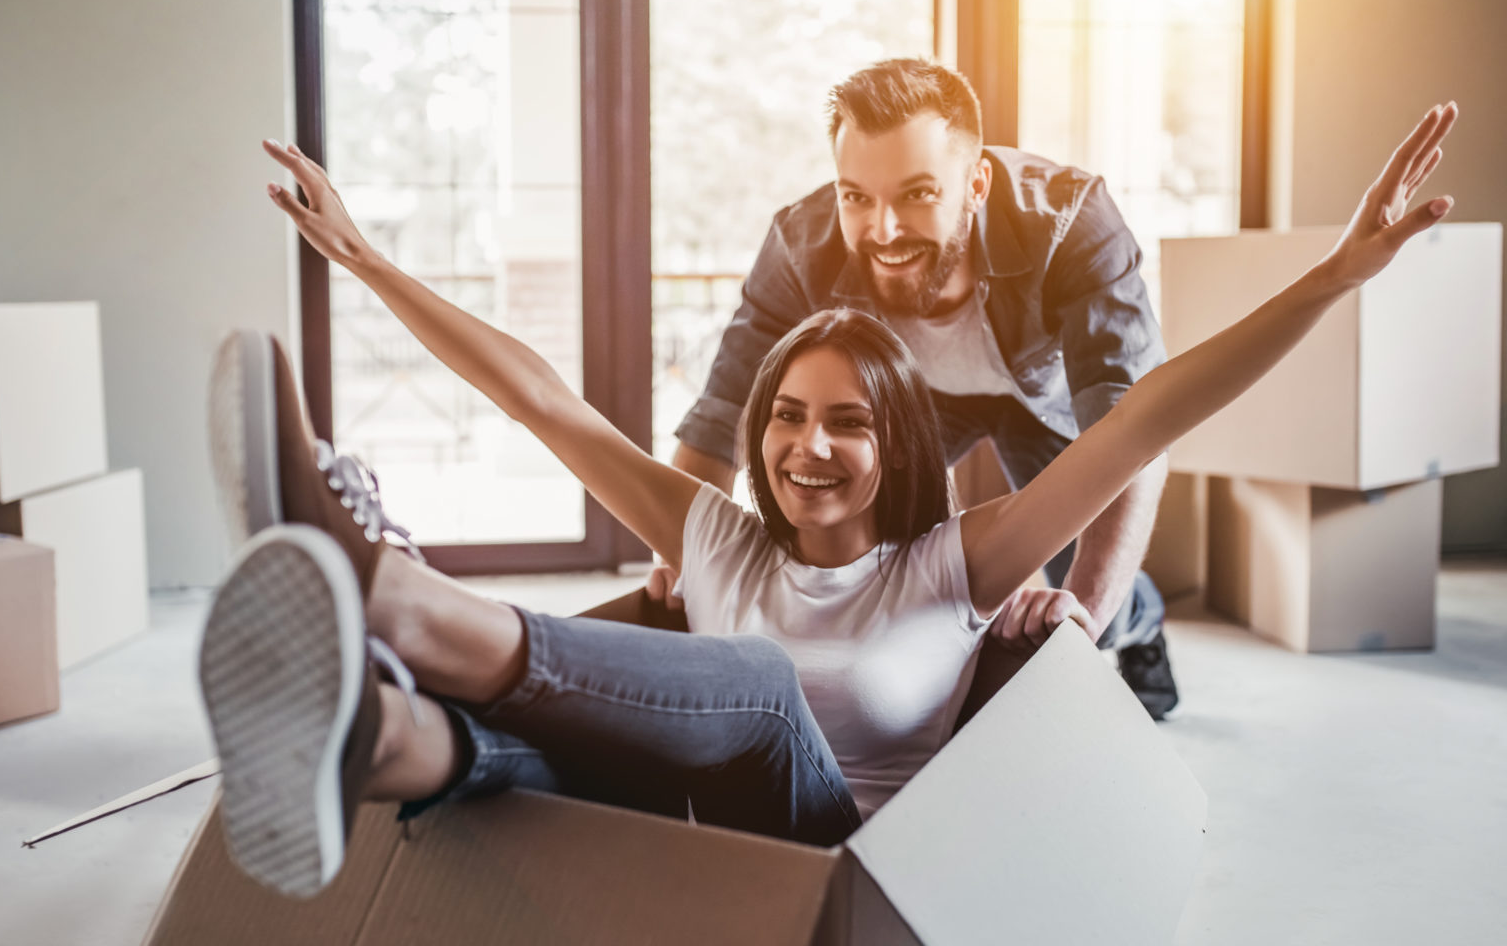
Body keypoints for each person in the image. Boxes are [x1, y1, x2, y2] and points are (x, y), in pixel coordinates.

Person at [200, 101, 1456, 899]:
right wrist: (365, 259)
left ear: (896, 438)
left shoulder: (957, 564)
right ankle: (370, 734)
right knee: (524, 750)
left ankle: (389, 588)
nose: (808, 445)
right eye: (788, 416)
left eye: (847, 420)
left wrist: (1334, 275)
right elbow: (547, 402)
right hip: (694, 837)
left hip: (840, 868)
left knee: (752, 683)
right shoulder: (714, 534)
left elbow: (1149, 413)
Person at [653, 58, 1178, 716]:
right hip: (918, 400)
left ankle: (1143, 623)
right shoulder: (800, 245)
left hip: (1046, 400)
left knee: (1092, 571)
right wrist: (680, 557)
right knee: (886, 541)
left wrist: (1085, 622)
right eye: (857, 197)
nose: (885, 229)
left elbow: (1134, 431)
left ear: (977, 182)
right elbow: (722, 413)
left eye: (918, 194)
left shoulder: (1074, 221)